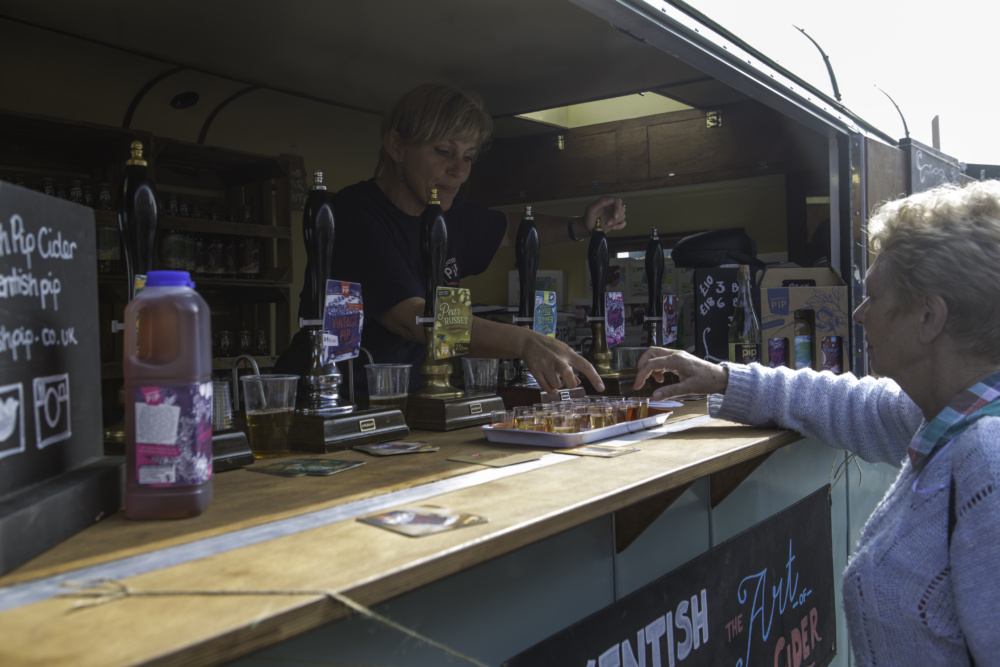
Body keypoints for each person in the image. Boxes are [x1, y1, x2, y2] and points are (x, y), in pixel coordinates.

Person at [631, 180, 1000, 666]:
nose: (860, 315)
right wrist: (723, 378)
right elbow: (852, 403)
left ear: (929, 317)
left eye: (874, 298)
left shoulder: (987, 462)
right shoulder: (947, 415)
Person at [280, 83, 626, 397]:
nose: (458, 170)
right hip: (326, 401)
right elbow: (416, 318)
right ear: (396, 145)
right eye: (443, 151)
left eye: (468, 156)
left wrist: (580, 225)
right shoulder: (353, 215)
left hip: (400, 398)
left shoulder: (446, 215)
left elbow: (508, 229)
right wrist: (525, 341)